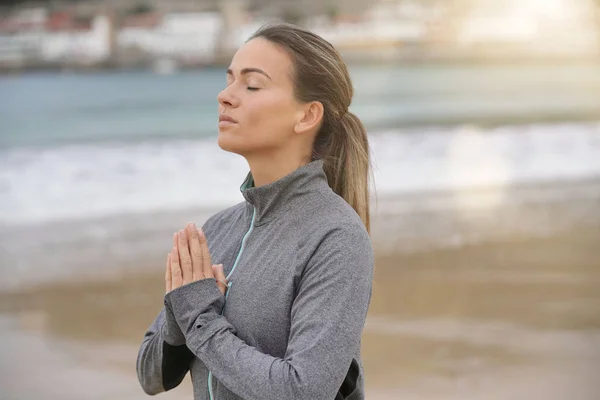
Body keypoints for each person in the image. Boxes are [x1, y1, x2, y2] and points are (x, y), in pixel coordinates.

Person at [136, 23, 374, 400]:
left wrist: (200, 318)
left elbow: (303, 390)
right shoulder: (218, 230)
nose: (225, 96)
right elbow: (150, 376)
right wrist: (182, 313)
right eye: (229, 80)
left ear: (308, 115)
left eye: (251, 85)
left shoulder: (335, 237)